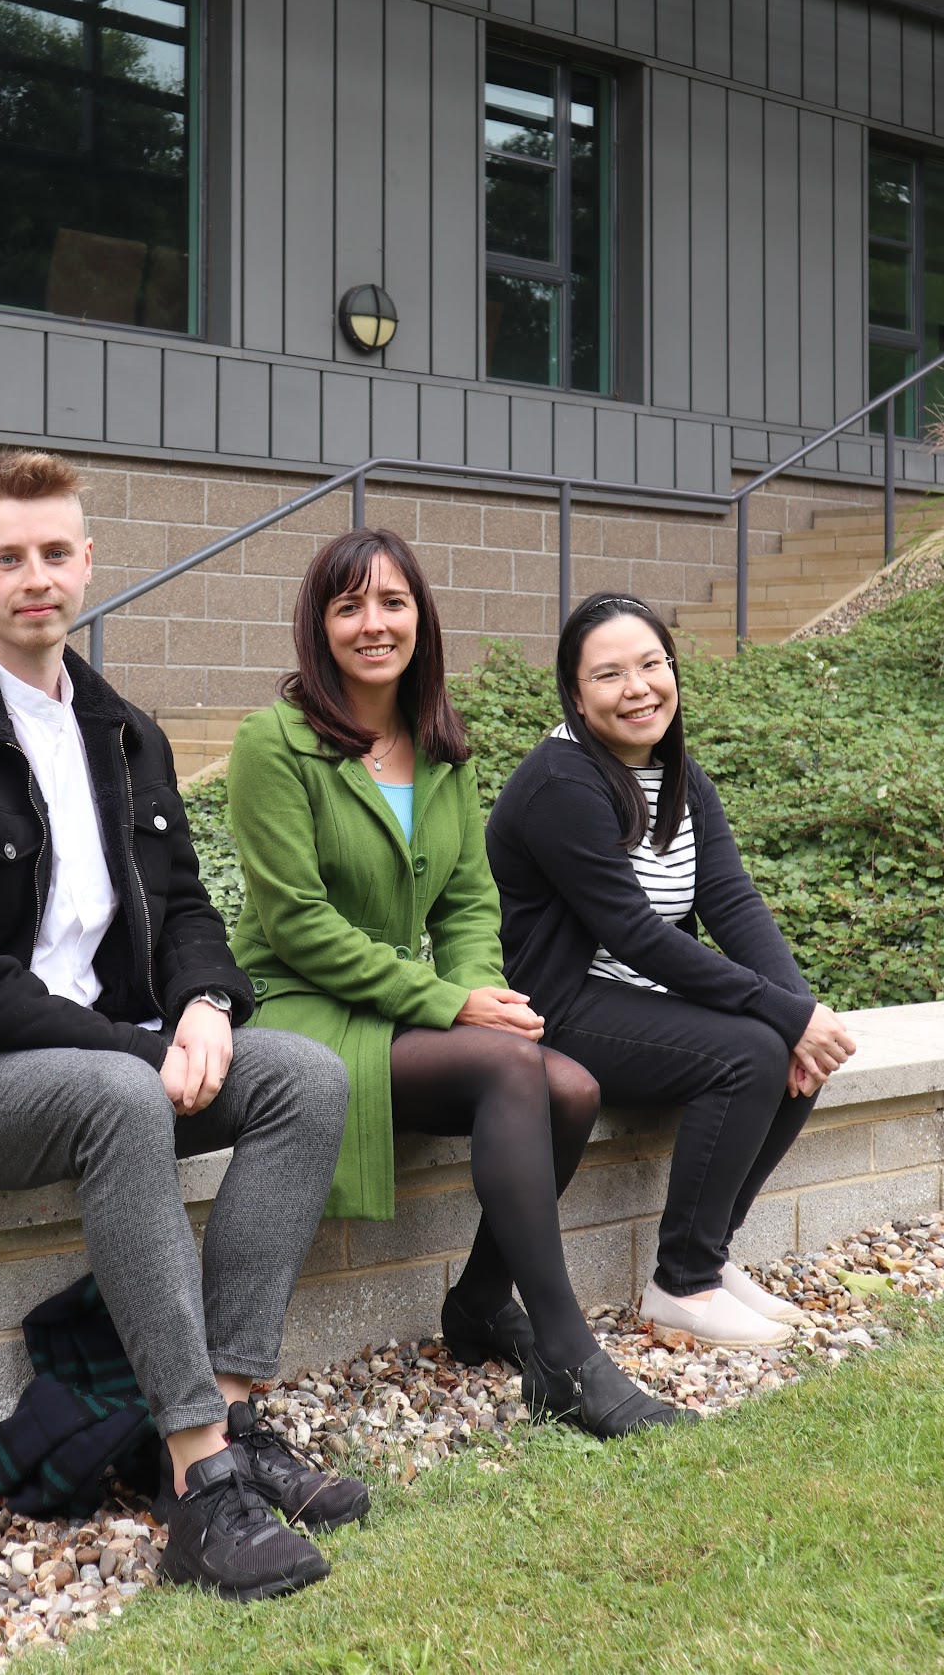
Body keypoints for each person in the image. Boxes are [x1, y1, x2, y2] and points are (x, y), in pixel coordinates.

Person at [0, 449, 363, 1602]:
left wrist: (208, 1006)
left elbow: (182, 912)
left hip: (111, 1059)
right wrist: (138, 1049)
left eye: (56, 553)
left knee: (305, 1080)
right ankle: (196, 1486)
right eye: (9, 557)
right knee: (122, 1092)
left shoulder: (125, 733)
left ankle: (227, 1420)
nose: (36, 576)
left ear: (88, 565)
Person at [226, 528, 683, 1439]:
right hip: (301, 1007)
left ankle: (479, 1301)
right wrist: (450, 1004)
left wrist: (485, 994)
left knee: (572, 1085)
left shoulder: (442, 748)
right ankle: (567, 1357)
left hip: (397, 1004)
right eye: (348, 605)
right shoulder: (272, 744)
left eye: (392, 602)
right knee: (515, 1071)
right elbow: (298, 927)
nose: (373, 624)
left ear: (420, 619)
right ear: (318, 625)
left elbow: (471, 906)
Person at [486, 591, 858, 1349]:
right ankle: (681, 1283)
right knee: (756, 1045)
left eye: (653, 663)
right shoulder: (563, 783)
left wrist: (801, 1010)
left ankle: (710, 1259)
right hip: (564, 1006)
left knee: (797, 1043)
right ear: (576, 695)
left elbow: (734, 904)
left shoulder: (680, 777)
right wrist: (781, 1017)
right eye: (610, 674)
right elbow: (636, 935)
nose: (639, 687)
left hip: (636, 999)